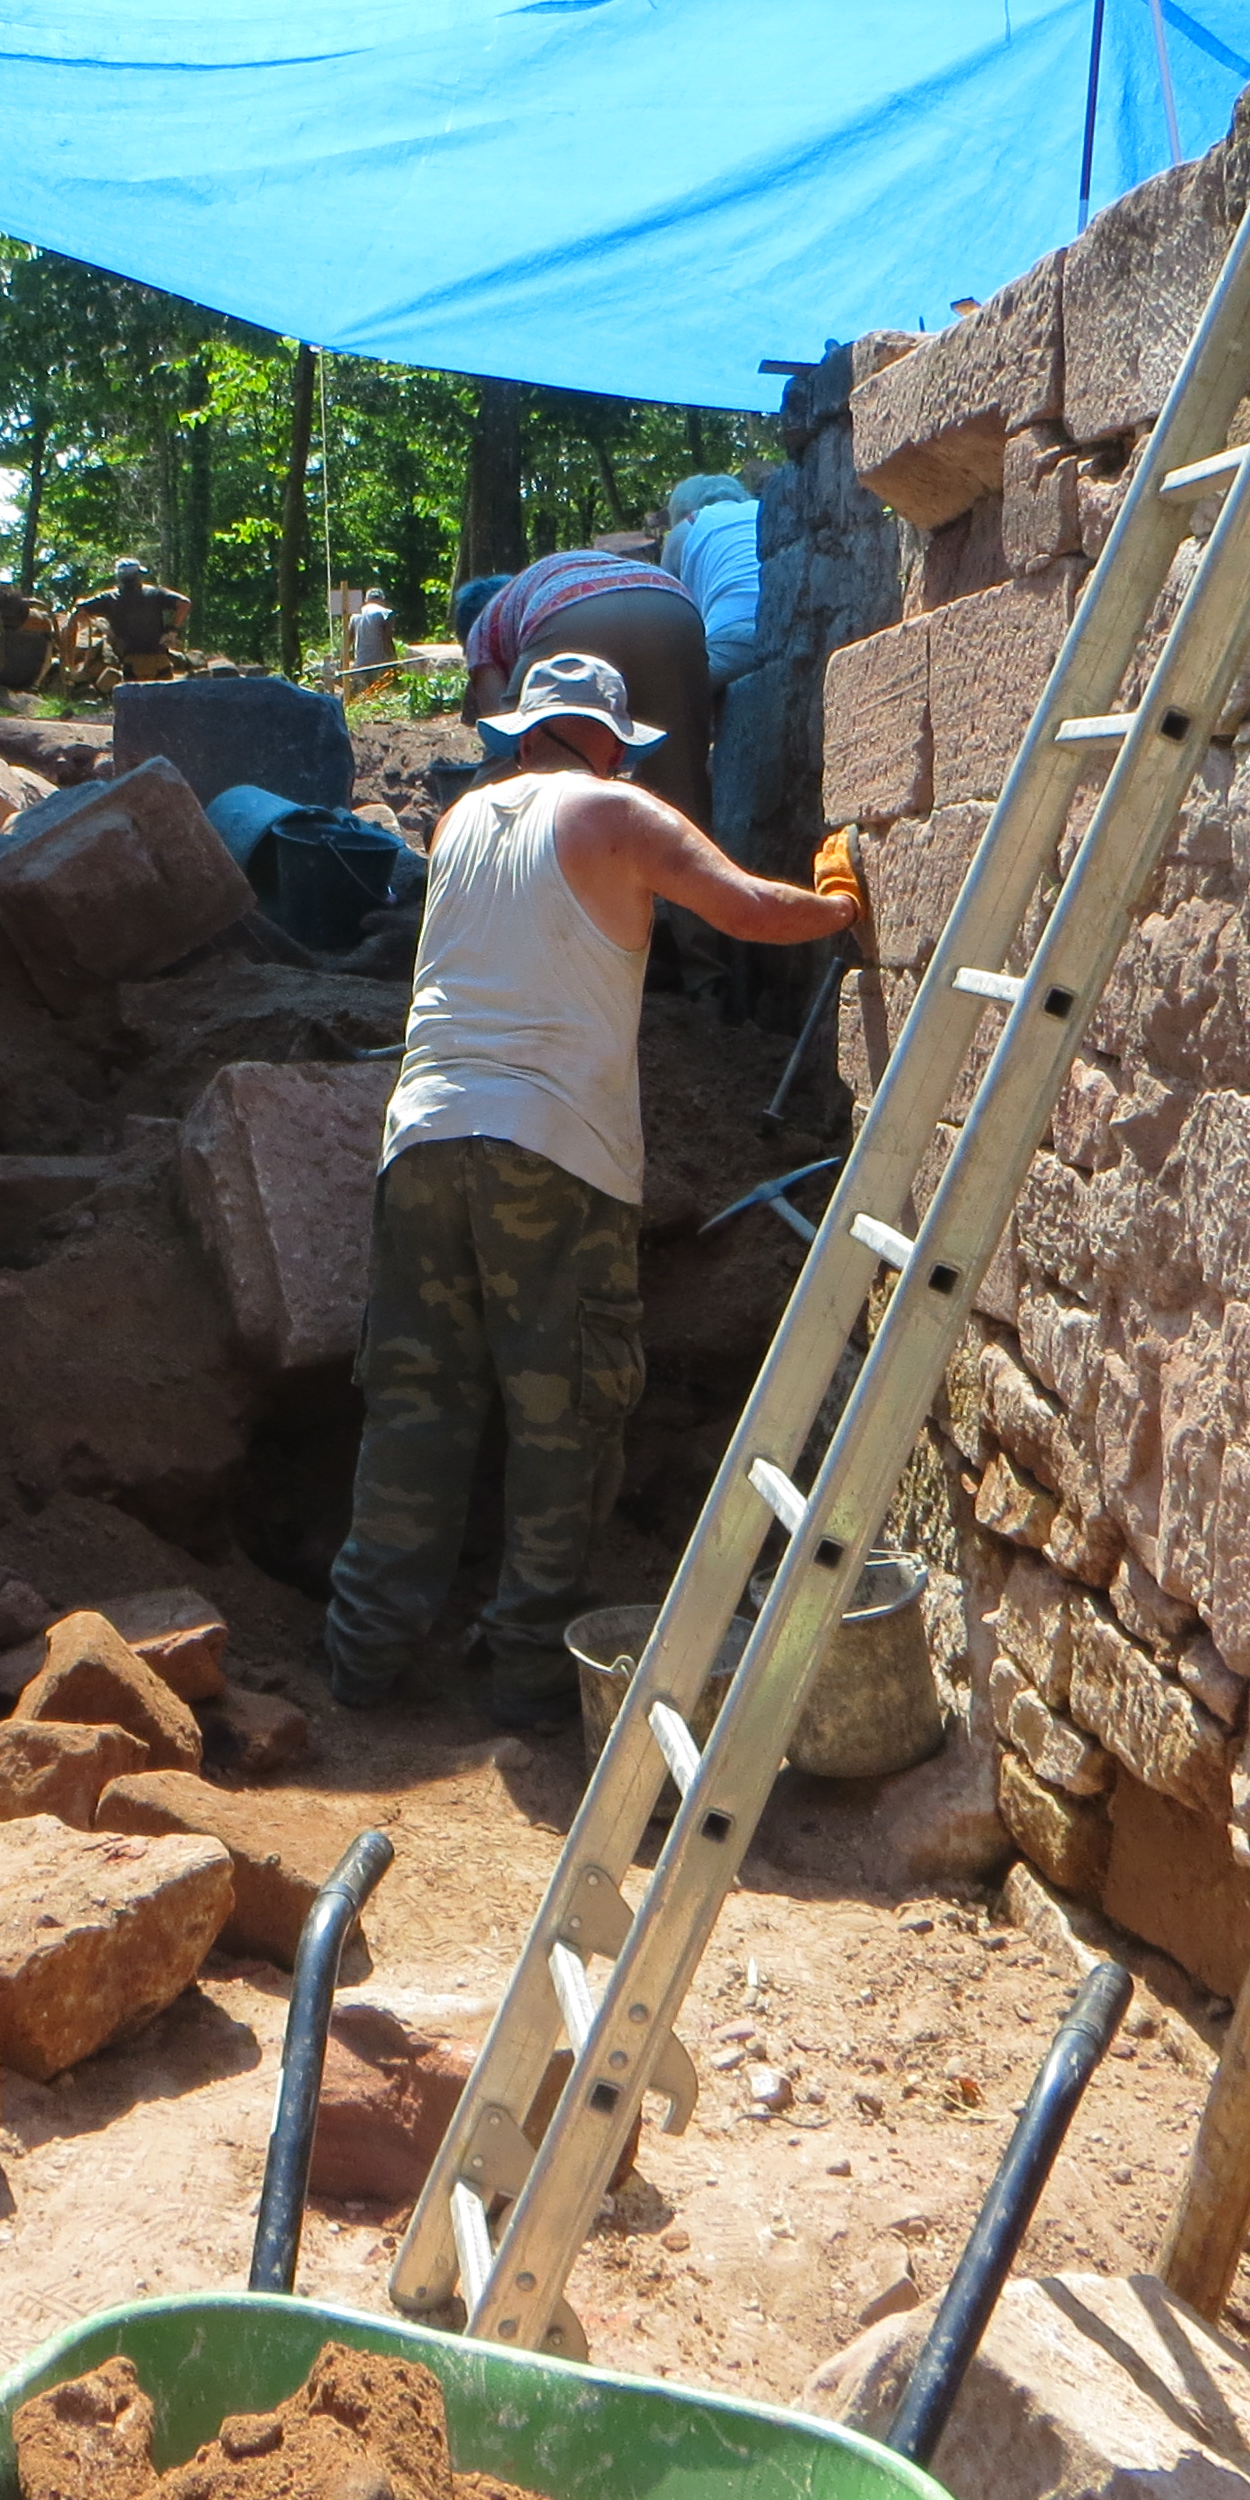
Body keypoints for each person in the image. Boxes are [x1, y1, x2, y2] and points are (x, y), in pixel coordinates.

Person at [321, 651, 868, 1722]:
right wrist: (836, 906)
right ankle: (530, 1675)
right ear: (613, 741)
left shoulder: (459, 822)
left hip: (422, 1140)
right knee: (563, 1412)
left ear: (523, 730)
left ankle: (363, 1656)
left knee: (416, 1403)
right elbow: (747, 910)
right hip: (552, 1149)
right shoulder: (615, 812)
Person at [455, 545, 718, 830]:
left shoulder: (481, 629)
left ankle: (466, 841)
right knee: (679, 788)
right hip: (671, 605)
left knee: (509, 777)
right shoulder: (534, 584)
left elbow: (504, 738)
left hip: (570, 611)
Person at [658, 473, 763, 692]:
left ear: (683, 511)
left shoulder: (687, 527)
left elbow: (666, 619)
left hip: (733, 638)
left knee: (670, 689)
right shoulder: (764, 511)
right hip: (785, 627)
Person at [65, 556, 191, 681]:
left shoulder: (110, 597)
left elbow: (80, 609)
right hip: (159, 658)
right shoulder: (154, 593)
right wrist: (173, 630)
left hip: (131, 661)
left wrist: (80, 603)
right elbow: (184, 603)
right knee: (165, 693)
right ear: (138, 576)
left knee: (133, 693)